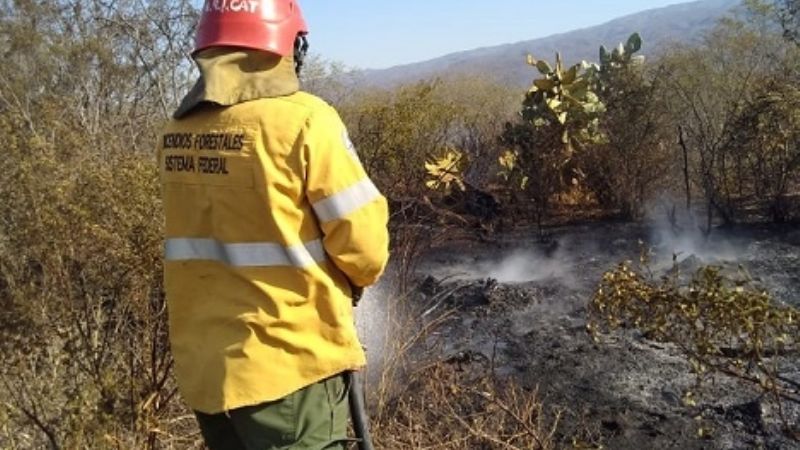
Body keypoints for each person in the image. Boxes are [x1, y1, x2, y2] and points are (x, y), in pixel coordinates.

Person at [156, 1, 390, 448]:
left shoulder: (176, 132)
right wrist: (355, 279)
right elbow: (365, 248)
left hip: (207, 377)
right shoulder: (305, 120)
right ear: (288, 44)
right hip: (288, 369)